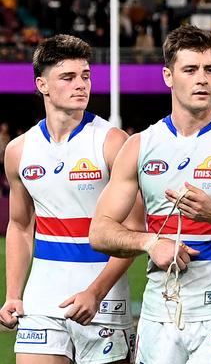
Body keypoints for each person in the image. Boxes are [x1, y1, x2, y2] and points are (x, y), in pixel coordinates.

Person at [88, 25, 211, 363]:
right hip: (159, 311)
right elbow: (100, 230)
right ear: (168, 76)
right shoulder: (140, 145)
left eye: (210, 70)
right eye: (190, 70)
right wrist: (150, 243)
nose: (203, 79)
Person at [0, 34, 138, 364]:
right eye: (68, 77)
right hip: (42, 302)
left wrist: (96, 292)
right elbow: (20, 226)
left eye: (86, 76)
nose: (81, 85)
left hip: (104, 304)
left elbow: (133, 229)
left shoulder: (112, 143)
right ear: (42, 85)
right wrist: (13, 295)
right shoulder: (19, 151)